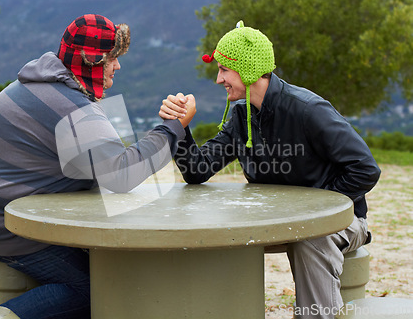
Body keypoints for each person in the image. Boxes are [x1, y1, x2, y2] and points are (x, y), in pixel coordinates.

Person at [0, 14, 192, 319]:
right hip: (2, 227)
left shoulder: (42, 82)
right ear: (93, 62)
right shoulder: (70, 106)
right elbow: (120, 175)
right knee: (102, 290)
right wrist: (172, 128)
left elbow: (97, 165)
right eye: (112, 59)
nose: (117, 66)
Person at [159, 21, 381, 319]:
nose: (218, 79)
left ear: (248, 70)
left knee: (312, 236)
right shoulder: (241, 116)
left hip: (342, 222)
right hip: (278, 222)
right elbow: (198, 170)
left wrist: (319, 211)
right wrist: (181, 129)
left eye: (224, 70)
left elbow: (365, 168)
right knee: (217, 232)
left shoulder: (308, 109)